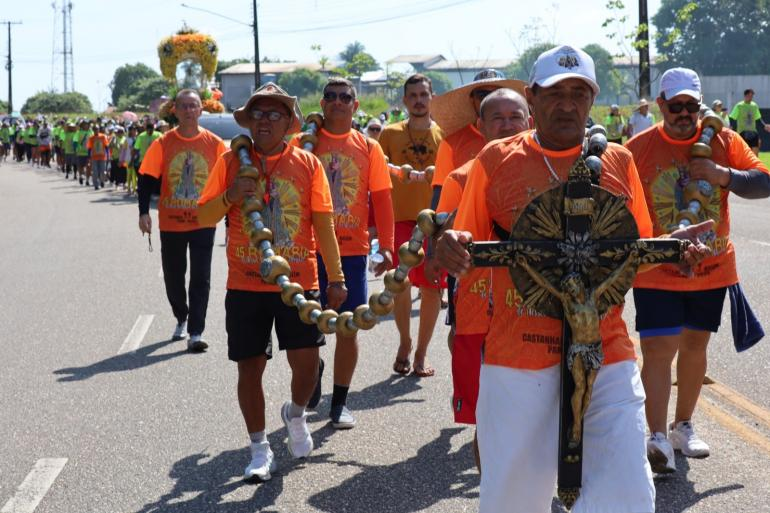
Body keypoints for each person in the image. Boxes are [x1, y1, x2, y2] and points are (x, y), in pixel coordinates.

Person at [435, 45, 711, 513]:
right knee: (511, 501)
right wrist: (450, 246)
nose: (567, 104)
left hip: (606, 350)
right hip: (517, 353)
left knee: (627, 496)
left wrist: (672, 249)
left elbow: (632, 254)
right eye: (555, 93)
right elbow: (466, 245)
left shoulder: (619, 162)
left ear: (592, 101)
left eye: (578, 93)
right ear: (532, 97)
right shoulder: (494, 160)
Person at [197, 82, 346, 481]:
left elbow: (323, 223)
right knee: (250, 369)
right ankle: (260, 447)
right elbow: (202, 218)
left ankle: (295, 415)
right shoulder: (230, 164)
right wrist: (230, 195)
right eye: (258, 113)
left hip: (299, 282)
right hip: (246, 284)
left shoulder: (309, 164)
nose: (265, 121)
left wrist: (337, 276)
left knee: (308, 365)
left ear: (288, 123)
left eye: (274, 114)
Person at [625, 67, 770, 474]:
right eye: (676, 106)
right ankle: (655, 436)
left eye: (691, 105)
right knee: (658, 348)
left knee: (694, 347)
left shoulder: (724, 140)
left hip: (712, 267)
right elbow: (616, 199)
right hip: (656, 267)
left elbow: (763, 181)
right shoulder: (639, 147)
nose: (684, 113)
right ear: (661, 106)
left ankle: (682, 426)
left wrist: (724, 175)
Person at [434, 88, 530, 471]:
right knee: (488, 410)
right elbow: (443, 233)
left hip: (538, 306)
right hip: (482, 305)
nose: (507, 125)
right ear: (480, 126)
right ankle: (493, 488)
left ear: (530, 121)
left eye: (515, 117)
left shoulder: (557, 171)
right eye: (497, 118)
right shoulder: (460, 176)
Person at [292, 78, 394, 428]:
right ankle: (313, 373)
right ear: (322, 103)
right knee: (309, 328)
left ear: (355, 104)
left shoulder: (369, 147)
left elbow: (381, 198)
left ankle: (339, 403)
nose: (338, 102)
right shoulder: (305, 144)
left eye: (345, 97)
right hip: (308, 251)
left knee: (349, 328)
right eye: (331, 96)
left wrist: (389, 248)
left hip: (352, 250)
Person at [138, 89, 226, 350]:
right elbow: (146, 178)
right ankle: (181, 316)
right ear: (175, 110)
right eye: (184, 106)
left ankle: (196, 331)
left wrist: (232, 222)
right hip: (172, 222)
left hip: (203, 222)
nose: (189, 110)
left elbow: (226, 184)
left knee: (201, 277)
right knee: (174, 276)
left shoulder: (216, 144)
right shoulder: (163, 143)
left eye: (193, 106)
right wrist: (143, 213)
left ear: (201, 110)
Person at [378, 74, 445, 377]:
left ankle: (421, 353)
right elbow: (377, 181)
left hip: (435, 222)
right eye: (413, 95)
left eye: (424, 94)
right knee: (400, 282)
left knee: (432, 289)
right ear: (405, 100)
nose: (419, 100)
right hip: (399, 220)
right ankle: (404, 342)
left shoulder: (444, 136)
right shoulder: (389, 135)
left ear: (432, 98)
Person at [87, 125, 110, 190]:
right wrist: (88, 157)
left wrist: (108, 155)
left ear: (99, 130)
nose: (96, 131)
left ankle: (102, 181)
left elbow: (107, 147)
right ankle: (96, 185)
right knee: (95, 172)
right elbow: (89, 148)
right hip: (94, 157)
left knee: (102, 171)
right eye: (94, 129)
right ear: (93, 130)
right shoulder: (91, 138)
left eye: (97, 129)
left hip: (102, 157)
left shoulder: (103, 136)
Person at [73, 120, 93, 185]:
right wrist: (75, 150)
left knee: (88, 166)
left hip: (89, 152)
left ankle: (87, 180)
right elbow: (75, 141)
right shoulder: (78, 132)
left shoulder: (91, 132)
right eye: (84, 124)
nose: (86, 125)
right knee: (80, 166)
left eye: (87, 124)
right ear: (82, 126)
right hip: (80, 152)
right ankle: (81, 176)